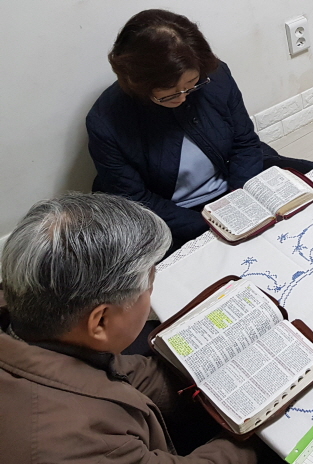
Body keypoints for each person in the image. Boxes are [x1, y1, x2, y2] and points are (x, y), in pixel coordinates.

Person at [0, 192, 269, 462]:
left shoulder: (35, 320)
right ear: (101, 321)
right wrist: (260, 431)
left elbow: (121, 371)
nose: (151, 292)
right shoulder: (76, 444)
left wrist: (214, 369)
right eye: (148, 287)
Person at [87, 9, 313, 250]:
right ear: (138, 85)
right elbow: (138, 202)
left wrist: (240, 197)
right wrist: (210, 226)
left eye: (191, 85)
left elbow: (244, 142)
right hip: (174, 214)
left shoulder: (215, 76)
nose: (182, 98)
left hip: (236, 182)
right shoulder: (106, 122)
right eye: (169, 94)